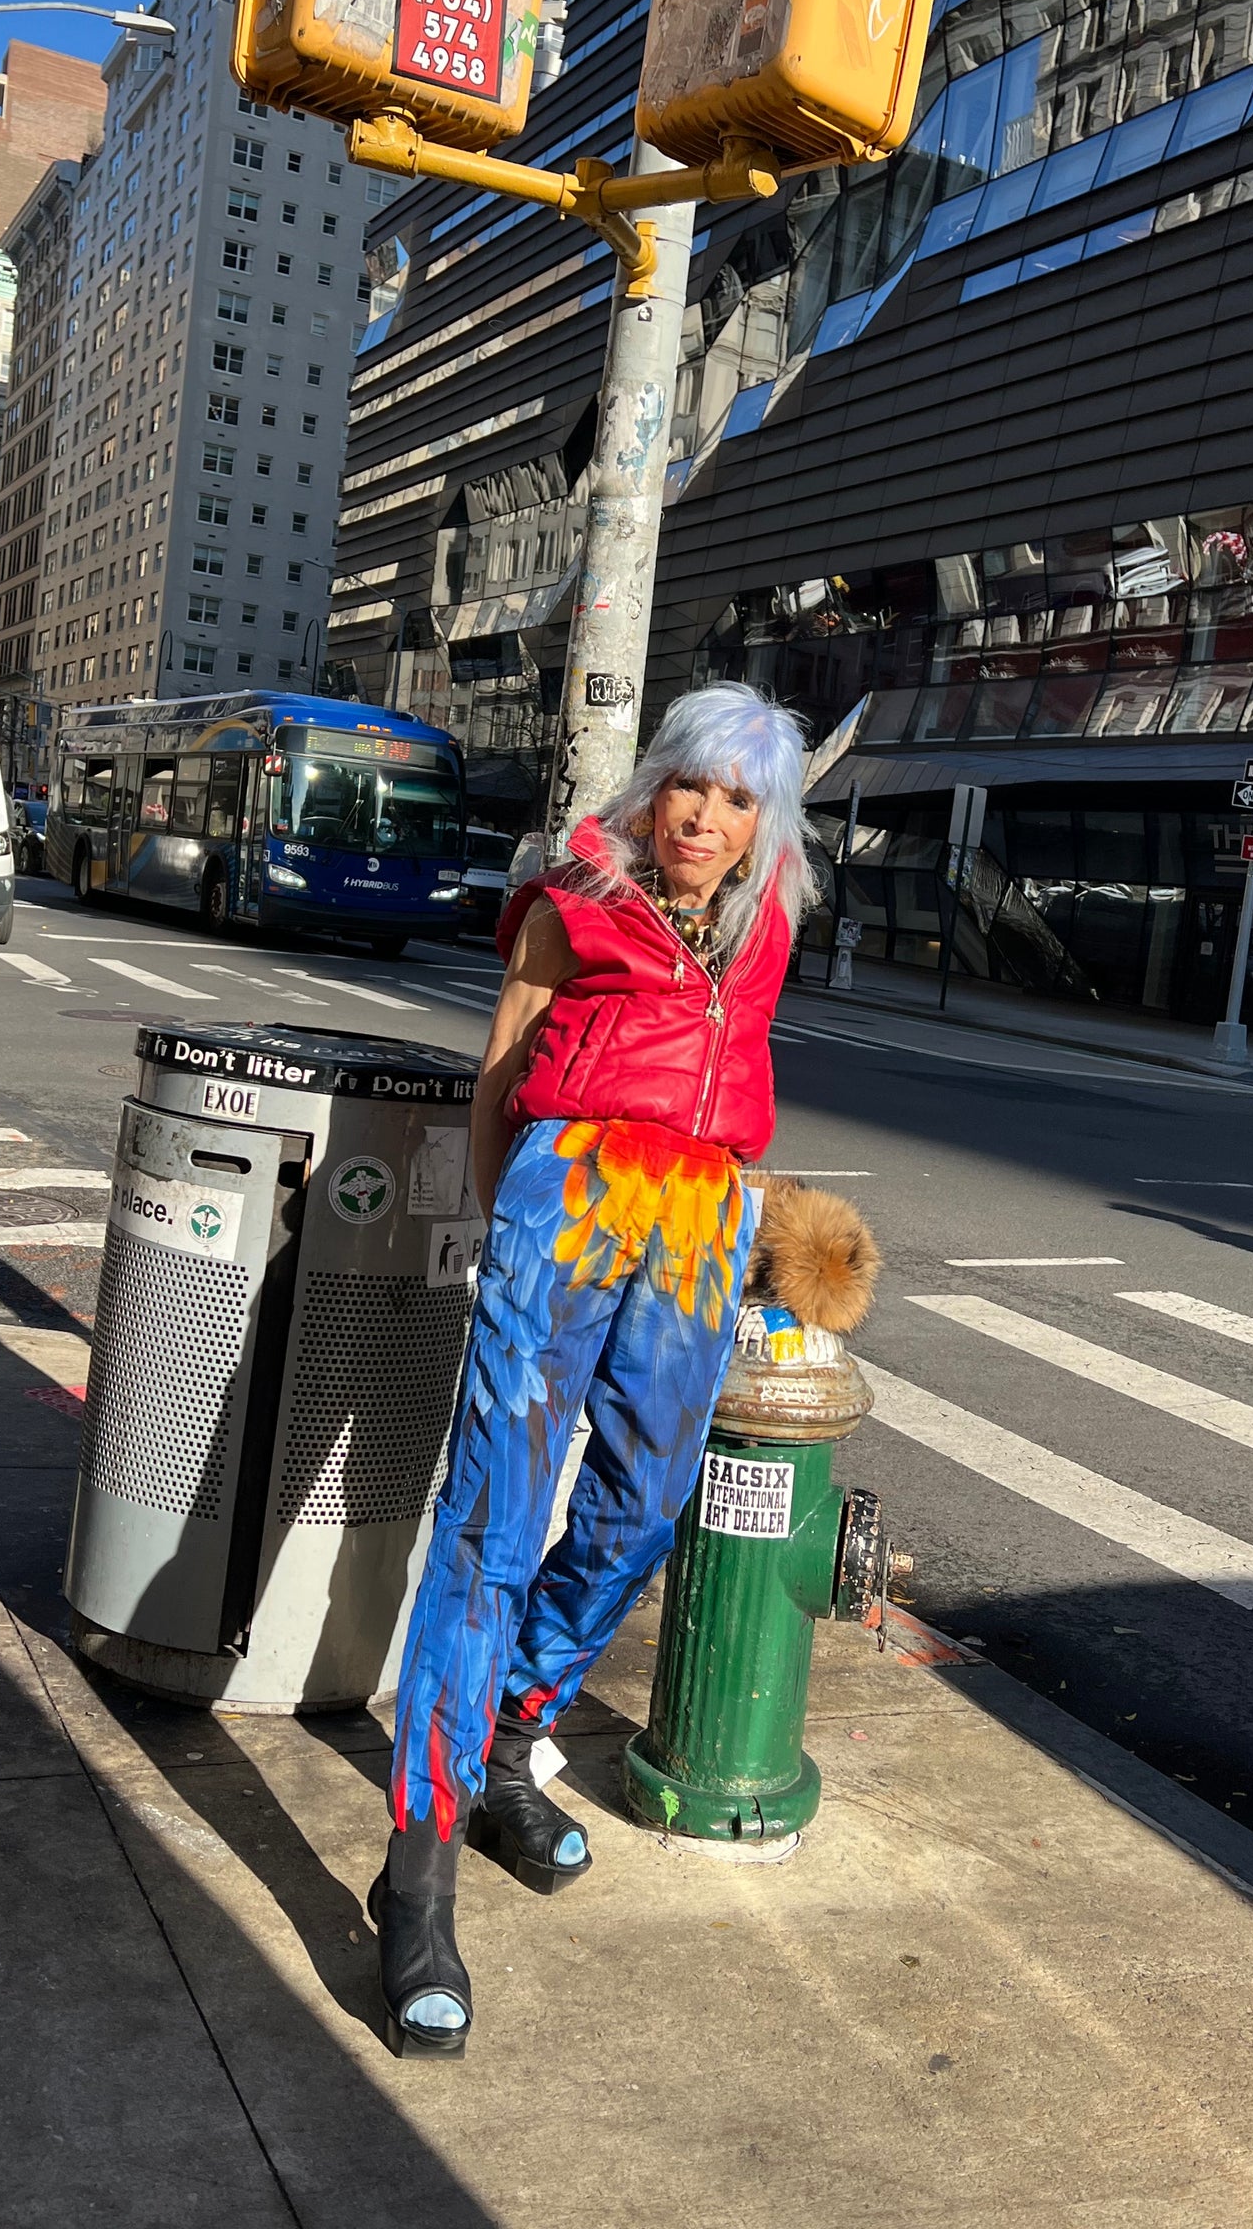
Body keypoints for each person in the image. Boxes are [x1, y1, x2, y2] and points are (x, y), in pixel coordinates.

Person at [370, 683, 816, 2059]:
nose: (706, 814)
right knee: (490, 1522)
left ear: (765, 823)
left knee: (635, 1516)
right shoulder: (576, 896)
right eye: (692, 782)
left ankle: (509, 1739)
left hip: (700, 1218)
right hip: (567, 1196)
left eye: (739, 798)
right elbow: (502, 1072)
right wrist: (511, 1223)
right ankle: (419, 1870)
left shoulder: (772, 923)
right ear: (657, 781)